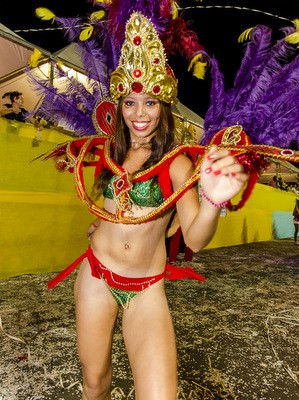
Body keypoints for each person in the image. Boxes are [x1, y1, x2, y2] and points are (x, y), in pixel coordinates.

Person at [45, 13, 249, 400]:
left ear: (165, 105)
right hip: (97, 277)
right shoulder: (111, 150)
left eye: (150, 102)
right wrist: (100, 228)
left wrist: (211, 202)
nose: (140, 114)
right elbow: (105, 208)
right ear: (119, 105)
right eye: (131, 103)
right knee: (95, 383)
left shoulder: (177, 163)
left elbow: (197, 238)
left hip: (145, 290)